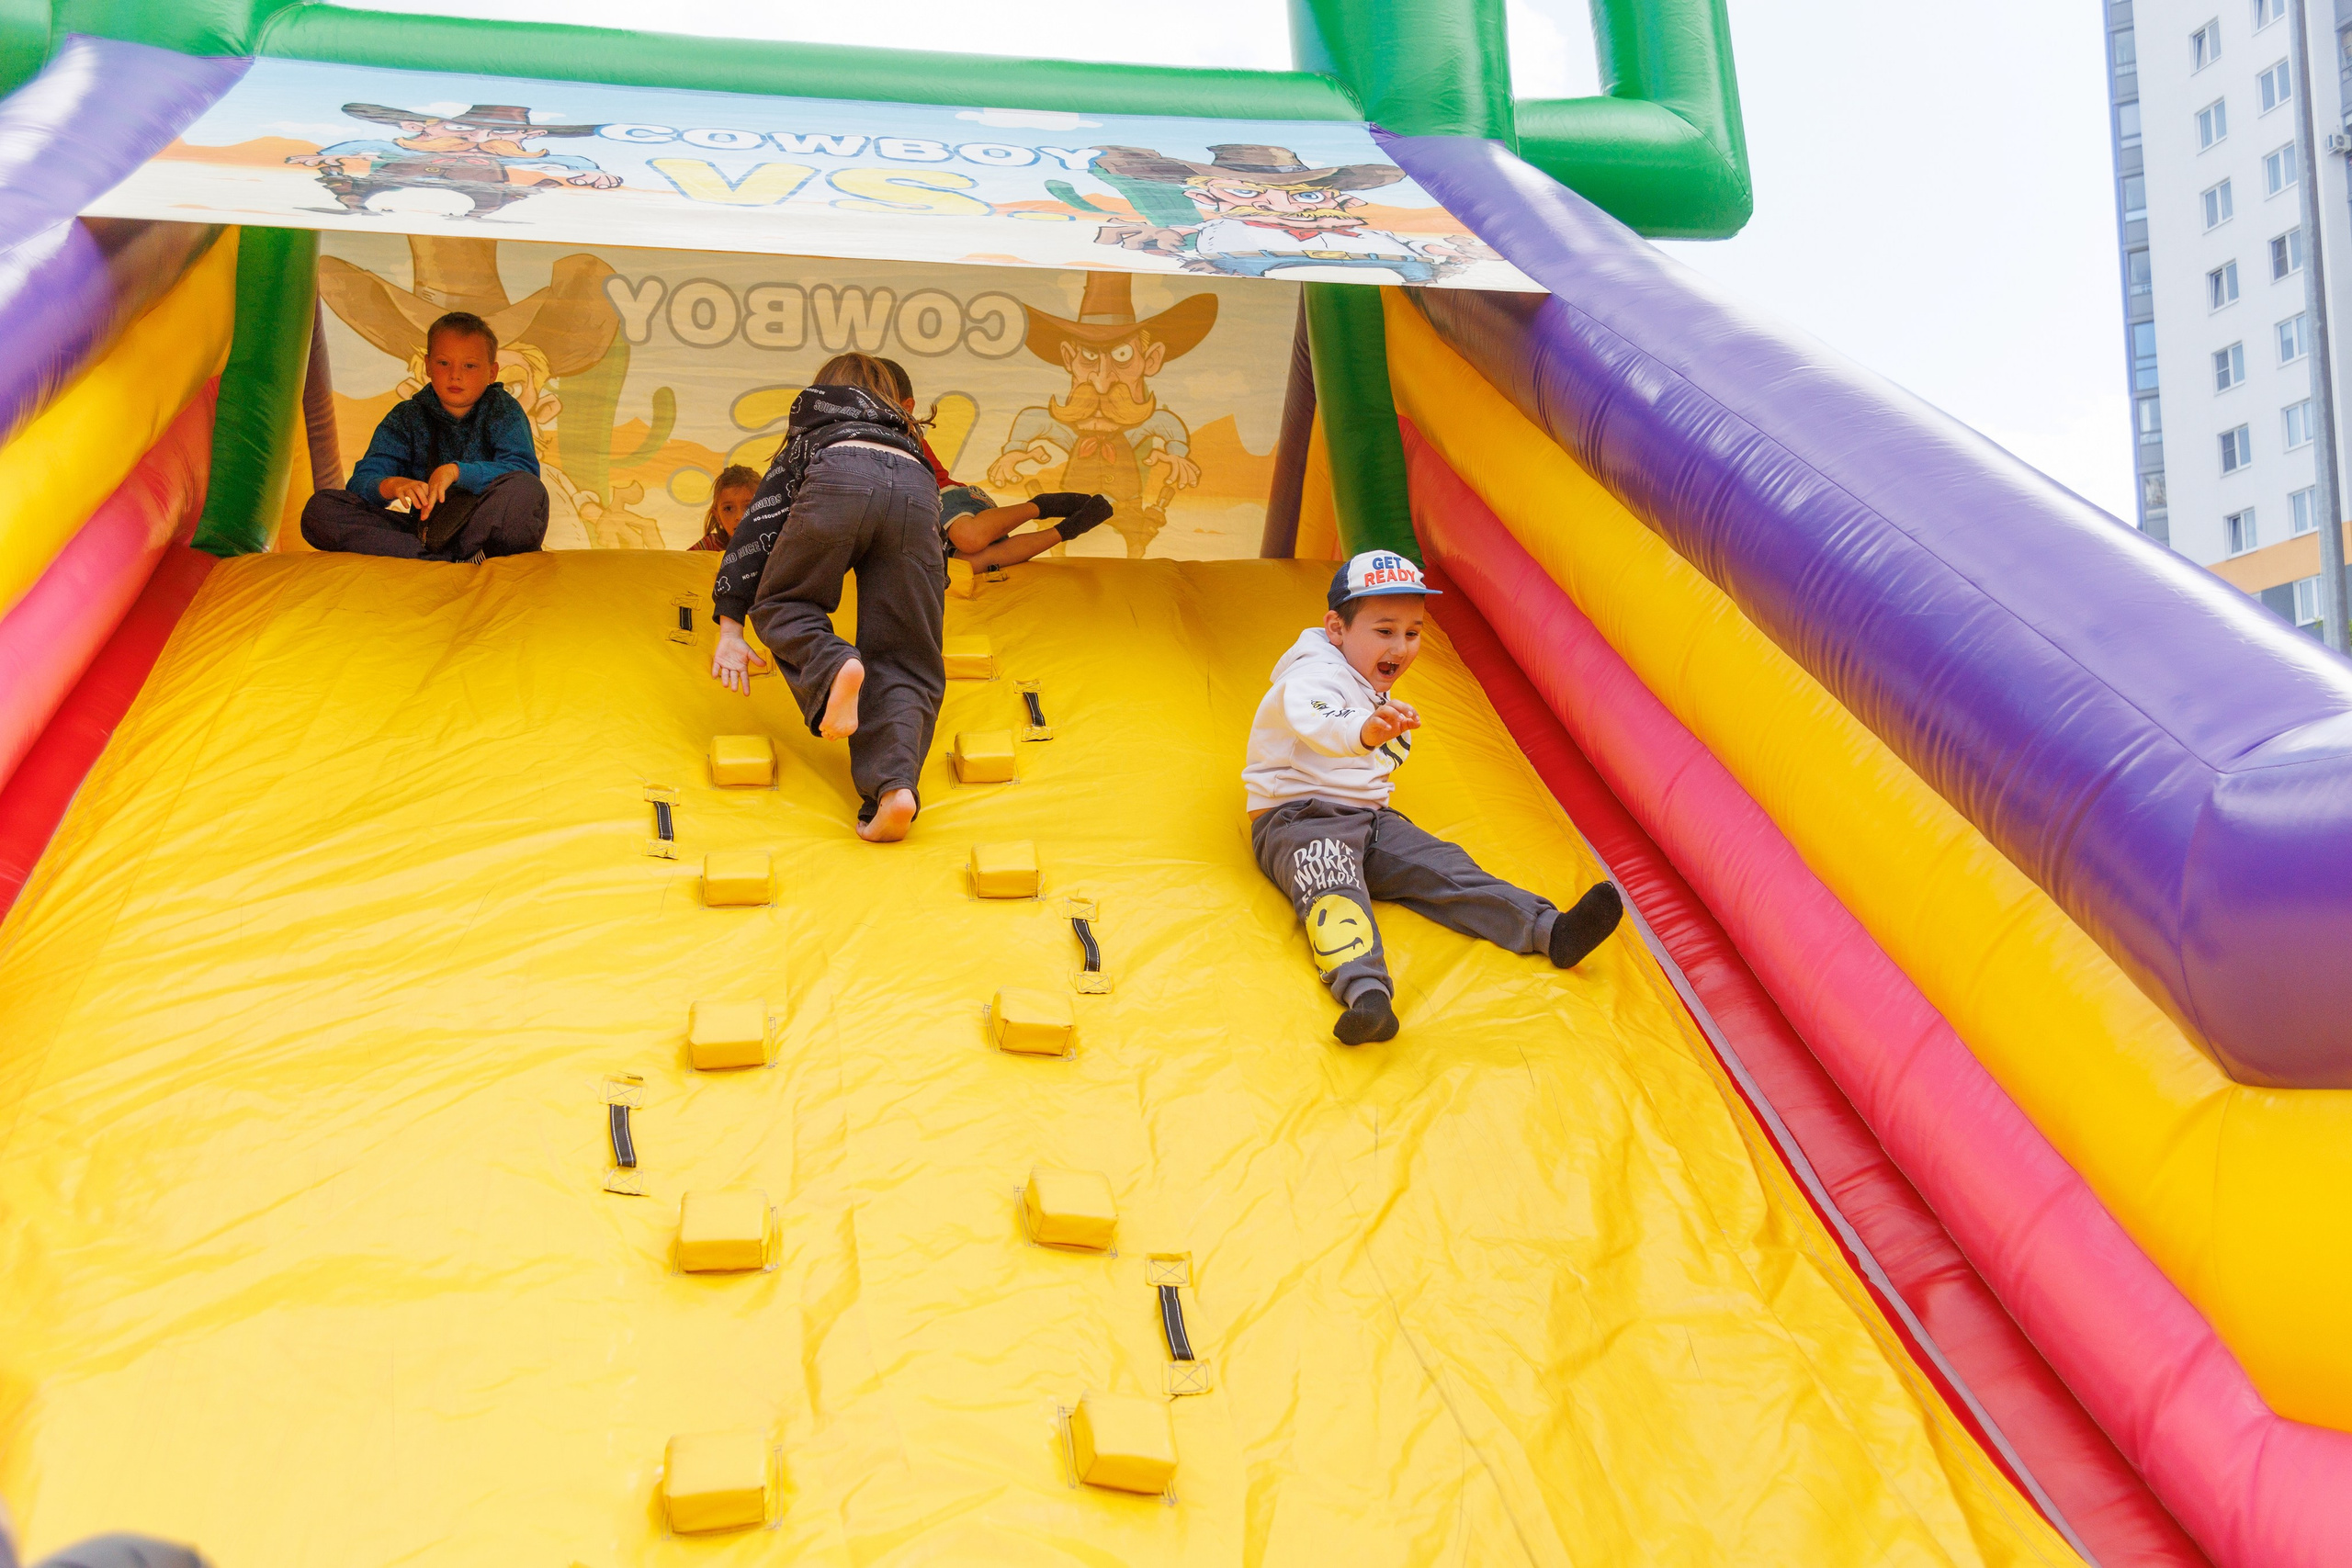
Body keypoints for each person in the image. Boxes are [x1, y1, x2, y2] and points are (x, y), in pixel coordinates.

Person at [1244, 550, 1625, 1044]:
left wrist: (1385, 731)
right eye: (1384, 631)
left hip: (1368, 817)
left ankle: (1550, 931)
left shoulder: (1361, 678)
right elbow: (1321, 719)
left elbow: (1366, 755)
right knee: (1334, 890)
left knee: (1444, 866)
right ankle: (1368, 997)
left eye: (1413, 632)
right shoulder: (1311, 674)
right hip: (1299, 819)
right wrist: (1364, 728)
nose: (1400, 647)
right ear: (1336, 628)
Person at [709, 352, 942, 841]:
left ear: (825, 389)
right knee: (907, 659)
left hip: (841, 473)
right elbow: (931, 553)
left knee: (784, 602)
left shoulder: (816, 427)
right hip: (919, 495)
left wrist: (731, 622)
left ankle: (833, 664)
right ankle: (895, 789)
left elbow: (761, 524)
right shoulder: (911, 446)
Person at [300, 310, 548, 559]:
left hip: (481, 528)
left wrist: (456, 471)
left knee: (527, 491)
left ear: (492, 372)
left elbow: (522, 470)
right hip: (423, 533)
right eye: (444, 363)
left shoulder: (502, 410)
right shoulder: (407, 416)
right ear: (428, 365)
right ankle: (433, 560)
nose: (456, 375)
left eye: (470, 366)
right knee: (320, 509)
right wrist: (392, 485)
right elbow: (360, 483)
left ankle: (469, 554)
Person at [870, 356, 1113, 568]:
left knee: (968, 537)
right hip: (931, 521)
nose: (862, 414)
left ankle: (1040, 506)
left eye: (872, 405)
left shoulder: (897, 431)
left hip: (949, 497)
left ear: (905, 409)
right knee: (970, 563)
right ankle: (1068, 529)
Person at [690, 463, 760, 553]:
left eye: (749, 507)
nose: (739, 516)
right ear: (718, 516)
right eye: (728, 508)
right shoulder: (709, 546)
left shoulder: (775, 544)